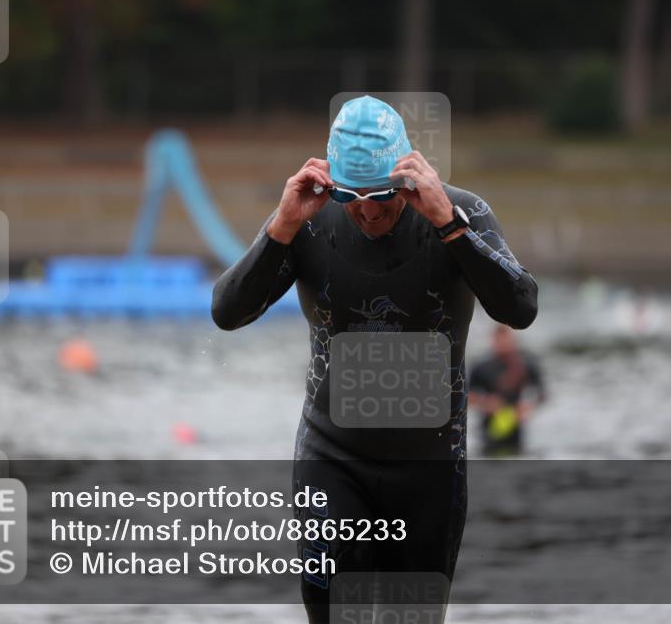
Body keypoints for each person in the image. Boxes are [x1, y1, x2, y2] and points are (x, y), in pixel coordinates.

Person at [211, 95, 538, 623]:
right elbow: (228, 312)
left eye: (381, 196)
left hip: (430, 466)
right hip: (332, 457)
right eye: (351, 196)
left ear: (408, 176)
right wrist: (281, 227)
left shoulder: (462, 211)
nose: (366, 211)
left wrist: (449, 226)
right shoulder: (307, 222)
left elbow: (520, 308)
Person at [468, 324, 547, 457]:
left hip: (516, 423)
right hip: (488, 426)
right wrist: (486, 403)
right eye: (499, 341)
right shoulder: (481, 367)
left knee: (516, 456)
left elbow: (542, 394)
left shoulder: (527, 365)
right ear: (493, 341)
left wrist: (527, 407)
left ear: (513, 341)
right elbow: (466, 397)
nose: (503, 345)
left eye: (506, 340)